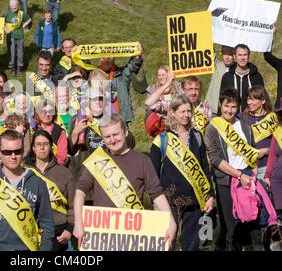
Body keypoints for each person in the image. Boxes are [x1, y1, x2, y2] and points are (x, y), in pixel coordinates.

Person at [73, 114, 177, 249]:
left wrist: (171, 221)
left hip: (132, 236)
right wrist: (78, 223)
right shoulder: (97, 160)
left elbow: (156, 194)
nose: (112, 140)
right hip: (101, 236)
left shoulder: (142, 161)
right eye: (107, 137)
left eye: (116, 134)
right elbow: (80, 191)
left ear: (126, 132)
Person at [205, 88, 274, 251]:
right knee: (231, 227)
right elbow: (214, 158)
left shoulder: (244, 124)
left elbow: (252, 148)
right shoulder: (213, 127)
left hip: (247, 177)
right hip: (226, 181)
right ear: (220, 105)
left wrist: (254, 167)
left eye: (233, 106)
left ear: (238, 108)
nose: (229, 110)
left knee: (253, 222)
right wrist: (239, 175)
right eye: (226, 106)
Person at [0, 130, 54, 251]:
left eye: (17, 151)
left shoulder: (38, 183)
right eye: (7, 152)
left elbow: (47, 224)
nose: (13, 156)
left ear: (23, 151)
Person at [150, 95, 215, 251]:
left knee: (191, 246)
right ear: (172, 112)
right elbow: (153, 175)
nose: (186, 115)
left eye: (189, 111)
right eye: (182, 111)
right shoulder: (162, 140)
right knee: (166, 244)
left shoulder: (197, 136)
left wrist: (210, 195)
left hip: (194, 201)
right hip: (169, 202)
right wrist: (155, 200)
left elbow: (205, 168)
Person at [25, 130, 74, 251]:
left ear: (51, 147)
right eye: (38, 144)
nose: (42, 148)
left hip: (58, 233)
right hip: (29, 232)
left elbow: (74, 204)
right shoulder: (24, 173)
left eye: (46, 144)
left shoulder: (64, 173)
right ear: (33, 148)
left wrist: (70, 229)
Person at [98, 52, 147, 123]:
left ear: (114, 58)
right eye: (103, 58)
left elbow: (132, 66)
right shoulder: (92, 74)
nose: (106, 60)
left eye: (109, 58)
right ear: (99, 60)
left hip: (121, 119)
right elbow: (80, 70)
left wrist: (137, 55)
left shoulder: (122, 73)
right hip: (100, 119)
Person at [240, 86, 273, 182]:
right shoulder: (241, 117)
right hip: (247, 169)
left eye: (253, 99)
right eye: (248, 99)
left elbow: (279, 145)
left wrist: (267, 150)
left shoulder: (272, 118)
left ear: (263, 101)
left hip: (266, 168)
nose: (249, 102)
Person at [220, 44, 264, 113]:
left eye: (245, 55)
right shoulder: (227, 77)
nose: (242, 58)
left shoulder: (256, 76)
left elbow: (262, 99)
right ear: (234, 56)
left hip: (251, 117)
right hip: (231, 117)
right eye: (240, 55)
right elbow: (222, 100)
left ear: (248, 56)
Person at [145, 66, 180, 136]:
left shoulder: (177, 88)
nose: (161, 77)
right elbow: (148, 106)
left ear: (169, 75)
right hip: (159, 126)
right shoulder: (153, 89)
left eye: (163, 75)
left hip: (176, 125)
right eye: (159, 75)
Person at [3, 0, 31, 76]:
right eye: (12, 7)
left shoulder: (21, 13)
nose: (14, 8)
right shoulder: (6, 14)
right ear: (10, 6)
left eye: (15, 6)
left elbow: (29, 19)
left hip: (20, 35)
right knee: (11, 52)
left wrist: (24, 25)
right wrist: (5, 29)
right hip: (10, 36)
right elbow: (0, 22)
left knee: (20, 52)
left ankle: (19, 69)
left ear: (18, 5)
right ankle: (12, 68)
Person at [34, 102, 68, 166]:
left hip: (53, 167)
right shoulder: (32, 130)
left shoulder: (59, 132)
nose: (47, 114)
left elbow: (62, 156)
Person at [265, 98, 282, 221]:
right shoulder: (278, 131)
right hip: (277, 181)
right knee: (280, 217)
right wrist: (267, 175)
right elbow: (272, 156)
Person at [205, 46, 234, 116]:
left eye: (230, 54)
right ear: (221, 53)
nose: (227, 57)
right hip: (214, 109)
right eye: (225, 53)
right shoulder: (217, 65)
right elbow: (209, 51)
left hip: (230, 110)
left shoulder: (237, 69)